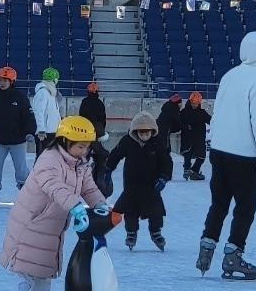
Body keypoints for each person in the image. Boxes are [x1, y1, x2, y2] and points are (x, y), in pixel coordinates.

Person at [0, 115, 107, 291]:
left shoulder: (80, 164)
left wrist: (101, 205)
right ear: (65, 141)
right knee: (26, 273)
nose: (85, 151)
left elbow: (89, 187)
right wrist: (77, 207)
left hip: (52, 227)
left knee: (45, 272)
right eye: (80, 146)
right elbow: (55, 187)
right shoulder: (49, 159)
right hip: (32, 224)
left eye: (87, 147)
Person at [196, 31, 256, 281]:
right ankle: (233, 256)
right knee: (244, 208)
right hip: (244, 158)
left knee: (218, 204)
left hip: (219, 153)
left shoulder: (229, 76)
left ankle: (206, 250)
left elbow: (218, 113)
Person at [106, 111, 172, 251]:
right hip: (132, 184)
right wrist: (108, 169)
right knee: (131, 211)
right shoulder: (127, 141)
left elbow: (166, 161)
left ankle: (156, 233)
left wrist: (164, 177)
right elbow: (116, 154)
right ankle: (131, 233)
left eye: (147, 133)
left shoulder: (158, 142)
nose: (144, 136)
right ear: (135, 131)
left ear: (152, 131)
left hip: (152, 185)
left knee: (156, 211)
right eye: (141, 133)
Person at [0, 66, 37, 207]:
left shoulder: (20, 97)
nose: (2, 82)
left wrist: (30, 132)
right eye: (0, 79)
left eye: (5, 80)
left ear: (12, 81)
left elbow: (28, 116)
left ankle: (26, 194)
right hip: (0, 140)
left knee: (21, 169)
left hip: (17, 141)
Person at [79, 82, 113, 195]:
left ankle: (80, 178)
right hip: (98, 132)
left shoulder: (84, 102)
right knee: (100, 155)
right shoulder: (100, 103)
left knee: (84, 156)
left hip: (85, 133)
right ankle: (100, 179)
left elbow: (81, 117)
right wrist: (100, 131)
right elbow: (103, 119)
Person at [179, 91, 211, 180]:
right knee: (187, 153)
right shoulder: (184, 112)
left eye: (196, 103)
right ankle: (186, 169)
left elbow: (211, 120)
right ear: (190, 101)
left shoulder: (202, 112)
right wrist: (185, 126)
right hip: (187, 137)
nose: (194, 105)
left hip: (199, 138)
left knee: (201, 156)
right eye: (193, 103)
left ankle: (194, 171)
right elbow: (178, 123)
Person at [32, 67, 63, 154]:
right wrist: (41, 130)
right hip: (45, 133)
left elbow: (54, 113)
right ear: (54, 79)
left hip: (53, 131)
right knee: (42, 158)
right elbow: (38, 112)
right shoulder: (43, 92)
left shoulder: (52, 92)